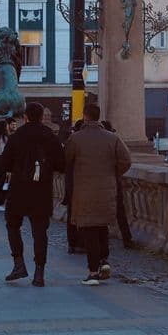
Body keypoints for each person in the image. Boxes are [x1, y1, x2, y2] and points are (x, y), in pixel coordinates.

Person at [0, 102, 65, 287]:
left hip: (19, 189)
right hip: (41, 191)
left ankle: (19, 264)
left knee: (12, 225)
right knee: (40, 232)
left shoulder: (16, 136)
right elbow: (62, 164)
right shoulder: (50, 137)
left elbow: (4, 164)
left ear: (26, 117)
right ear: (41, 116)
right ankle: (39, 273)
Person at [65, 104, 131, 285]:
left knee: (90, 231)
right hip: (107, 190)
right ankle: (104, 261)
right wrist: (113, 172)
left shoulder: (76, 139)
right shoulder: (112, 138)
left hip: (84, 192)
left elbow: (66, 161)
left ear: (85, 116)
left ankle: (93, 271)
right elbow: (126, 160)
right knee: (102, 227)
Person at [100, 120, 134, 249]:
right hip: (113, 180)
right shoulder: (114, 140)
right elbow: (126, 160)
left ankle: (102, 240)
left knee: (99, 212)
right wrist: (116, 172)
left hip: (97, 182)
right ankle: (127, 238)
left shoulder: (97, 142)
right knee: (120, 210)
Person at [62, 118, 84, 254]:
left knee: (72, 215)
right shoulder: (80, 142)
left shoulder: (72, 142)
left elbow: (64, 161)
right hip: (83, 185)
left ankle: (73, 243)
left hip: (72, 184)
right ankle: (81, 243)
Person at [0, 117, 17, 211]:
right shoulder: (4, 137)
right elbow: (6, 150)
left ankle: (0, 203)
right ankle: (0, 203)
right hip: (3, 160)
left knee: (1, 182)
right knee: (4, 182)